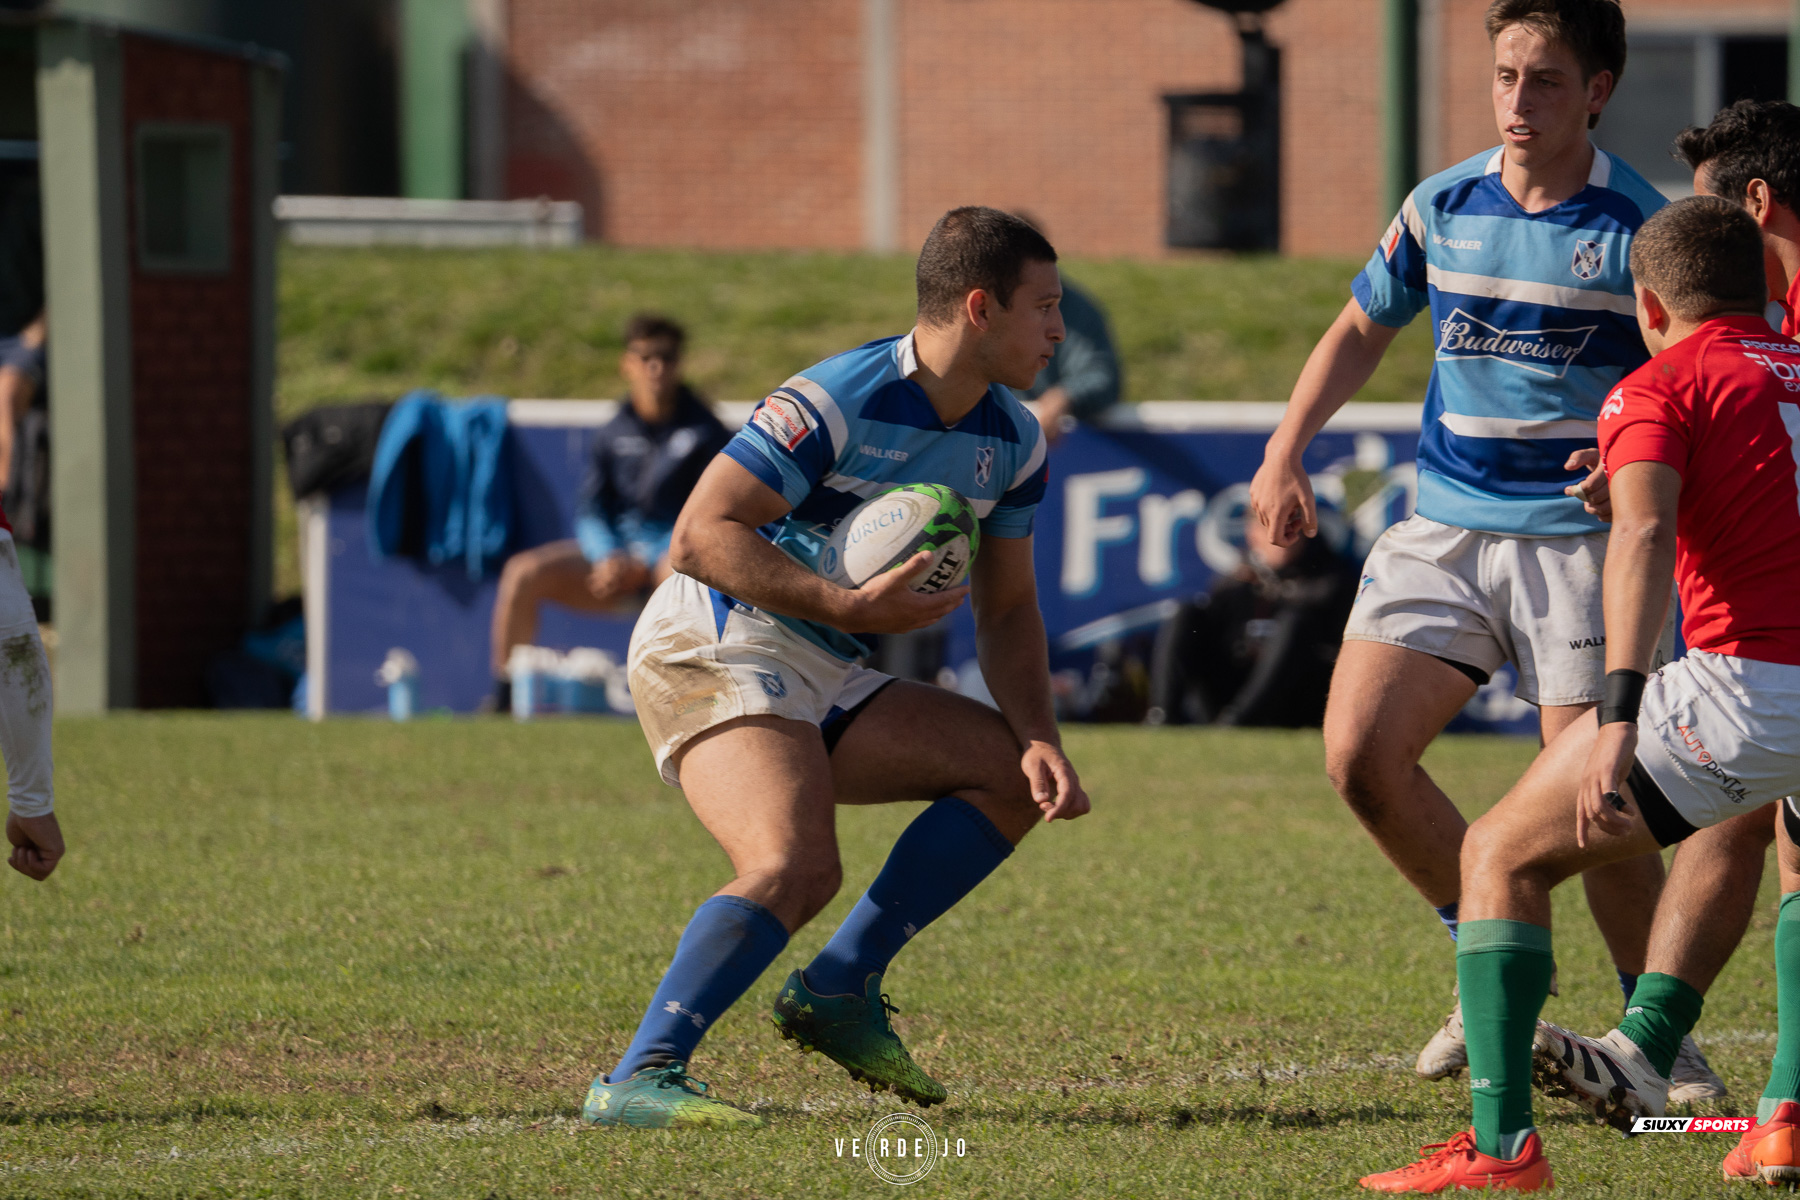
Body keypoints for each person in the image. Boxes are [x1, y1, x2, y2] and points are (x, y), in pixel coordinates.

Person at [1247, 0, 1723, 1099]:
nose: (1519, 101)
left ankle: (1659, 1036)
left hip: (1577, 546)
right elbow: (1363, 325)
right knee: (1359, 755)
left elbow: (1682, 377)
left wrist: (1639, 474)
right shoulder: (1439, 205)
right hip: (1448, 527)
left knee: (1594, 805)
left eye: (1546, 80)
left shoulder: (1638, 230)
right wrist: (1285, 449)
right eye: (1506, 75)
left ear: (1597, 91)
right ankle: (1489, 965)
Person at [579, 207, 1088, 1129]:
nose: (1060, 331)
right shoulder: (837, 398)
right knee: (792, 862)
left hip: (825, 660)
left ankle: (841, 988)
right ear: (979, 308)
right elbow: (697, 538)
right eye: (1045, 308)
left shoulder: (1014, 439)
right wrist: (850, 608)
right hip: (713, 636)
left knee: (1010, 775)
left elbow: (1007, 606)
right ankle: (638, 1078)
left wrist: (1042, 734)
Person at [1358, 196, 1800, 1192]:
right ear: (1765, 287)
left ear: (1648, 303)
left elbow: (1641, 541)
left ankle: (1501, 1149)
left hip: (1747, 688)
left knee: (1500, 853)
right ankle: (1786, 1118)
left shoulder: (1659, 382)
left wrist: (1615, 716)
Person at [1520, 99, 1800, 1182]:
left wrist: (1622, 704)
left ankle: (1549, 1120)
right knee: (1760, 812)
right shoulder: (1771, 336)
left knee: (1512, 848)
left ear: (1757, 205)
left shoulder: (1744, 339)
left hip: (1755, 661)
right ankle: (1677, 1061)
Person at [487, 314, 728, 708]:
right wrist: (609, 557)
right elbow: (592, 510)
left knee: (681, 577)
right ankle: (506, 697)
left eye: (666, 357)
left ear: (679, 363)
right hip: (615, 565)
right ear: (627, 363)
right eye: (646, 356)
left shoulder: (707, 432)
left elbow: (708, 515)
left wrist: (650, 558)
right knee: (523, 573)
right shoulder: (614, 430)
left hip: (671, 560)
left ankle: (690, 702)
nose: (656, 367)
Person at [1146, 511, 1358, 727]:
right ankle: (1162, 716)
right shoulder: (1236, 580)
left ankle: (1239, 722)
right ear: (1252, 535)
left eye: (1291, 529)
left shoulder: (1331, 577)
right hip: (1234, 687)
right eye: (1270, 529)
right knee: (1185, 613)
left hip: (1295, 696)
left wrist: (1278, 588)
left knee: (1295, 623)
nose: (1282, 539)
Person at [1015, 217, 1122, 442]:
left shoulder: (1078, 310)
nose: (1057, 332)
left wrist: (1064, 396)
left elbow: (1101, 375)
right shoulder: (980, 310)